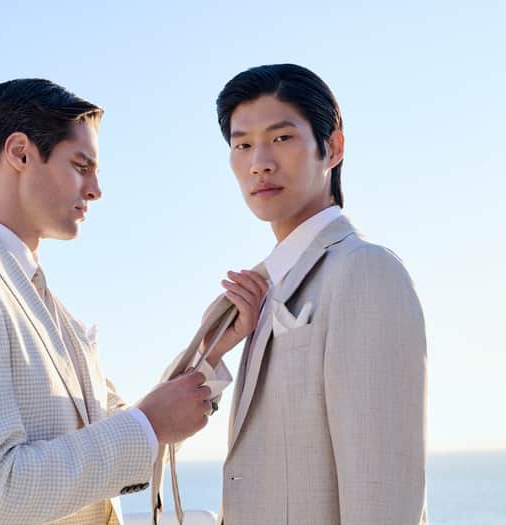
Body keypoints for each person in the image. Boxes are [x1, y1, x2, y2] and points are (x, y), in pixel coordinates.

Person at [0, 78, 266, 525]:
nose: (96, 189)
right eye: (81, 165)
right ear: (20, 153)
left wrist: (210, 350)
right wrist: (147, 425)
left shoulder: (45, 304)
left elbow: (134, 436)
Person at [209, 64, 428, 524]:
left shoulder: (364, 270)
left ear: (333, 148)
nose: (260, 162)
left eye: (281, 137)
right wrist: (215, 351)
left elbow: (380, 490)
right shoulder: (262, 287)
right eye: (243, 145)